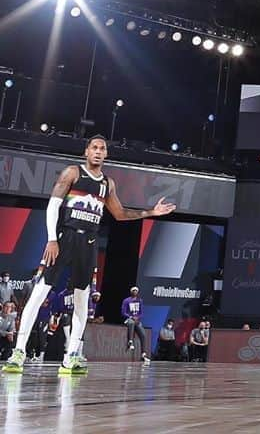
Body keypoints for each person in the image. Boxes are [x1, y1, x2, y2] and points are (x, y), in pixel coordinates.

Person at [2, 134, 174, 376]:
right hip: (65, 237)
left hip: (89, 241)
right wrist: (52, 238)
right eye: (94, 147)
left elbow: (120, 213)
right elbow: (53, 205)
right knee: (40, 292)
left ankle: (71, 355)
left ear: (106, 154)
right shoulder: (73, 173)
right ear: (86, 151)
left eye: (102, 148)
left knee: (82, 300)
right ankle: (18, 351)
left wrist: (151, 212)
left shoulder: (108, 183)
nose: (98, 151)